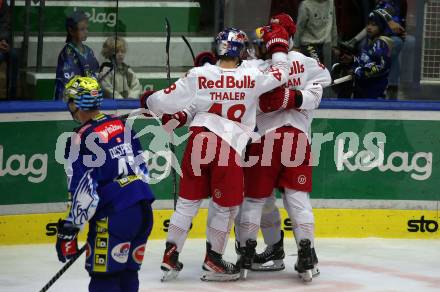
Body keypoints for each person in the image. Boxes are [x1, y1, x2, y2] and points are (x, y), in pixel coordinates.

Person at [141, 25, 292, 282]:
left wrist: (150, 103)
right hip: (228, 146)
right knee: (225, 207)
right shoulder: (253, 74)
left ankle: (170, 254)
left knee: (188, 203)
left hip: (199, 140)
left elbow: (158, 102)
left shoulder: (199, 74)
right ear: (240, 50)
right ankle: (213, 259)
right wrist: (278, 47)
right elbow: (282, 72)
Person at [235, 13, 332, 282]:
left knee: (254, 200)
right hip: (296, 141)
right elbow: (321, 86)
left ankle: (246, 251)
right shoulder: (306, 63)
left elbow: (231, 84)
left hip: (263, 139)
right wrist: (297, 95)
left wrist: (287, 96)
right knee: (297, 200)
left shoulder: (255, 67)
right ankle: (306, 253)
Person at [55, 76, 155, 292]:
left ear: (75, 104)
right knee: (128, 275)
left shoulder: (79, 139)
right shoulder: (122, 125)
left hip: (114, 216)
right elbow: (143, 171)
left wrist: (70, 231)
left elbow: (85, 194)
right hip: (143, 211)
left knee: (105, 280)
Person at [54, 10, 99, 100]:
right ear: (71, 31)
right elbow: (69, 82)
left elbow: (94, 72)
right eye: (82, 29)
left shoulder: (89, 51)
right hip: (68, 100)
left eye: (87, 28)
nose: (86, 32)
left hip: (87, 99)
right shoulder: (67, 53)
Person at [352, 10, 392, 98]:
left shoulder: (381, 43)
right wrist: (353, 61)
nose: (369, 27)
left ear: (382, 26)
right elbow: (363, 59)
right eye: (368, 24)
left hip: (374, 89)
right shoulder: (370, 41)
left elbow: (381, 65)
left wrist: (361, 72)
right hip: (363, 87)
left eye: (374, 25)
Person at [0, 0, 18, 98]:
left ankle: (12, 98)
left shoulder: (2, 3)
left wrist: (3, 40)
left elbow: (5, 24)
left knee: (14, 55)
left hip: (1, 43)